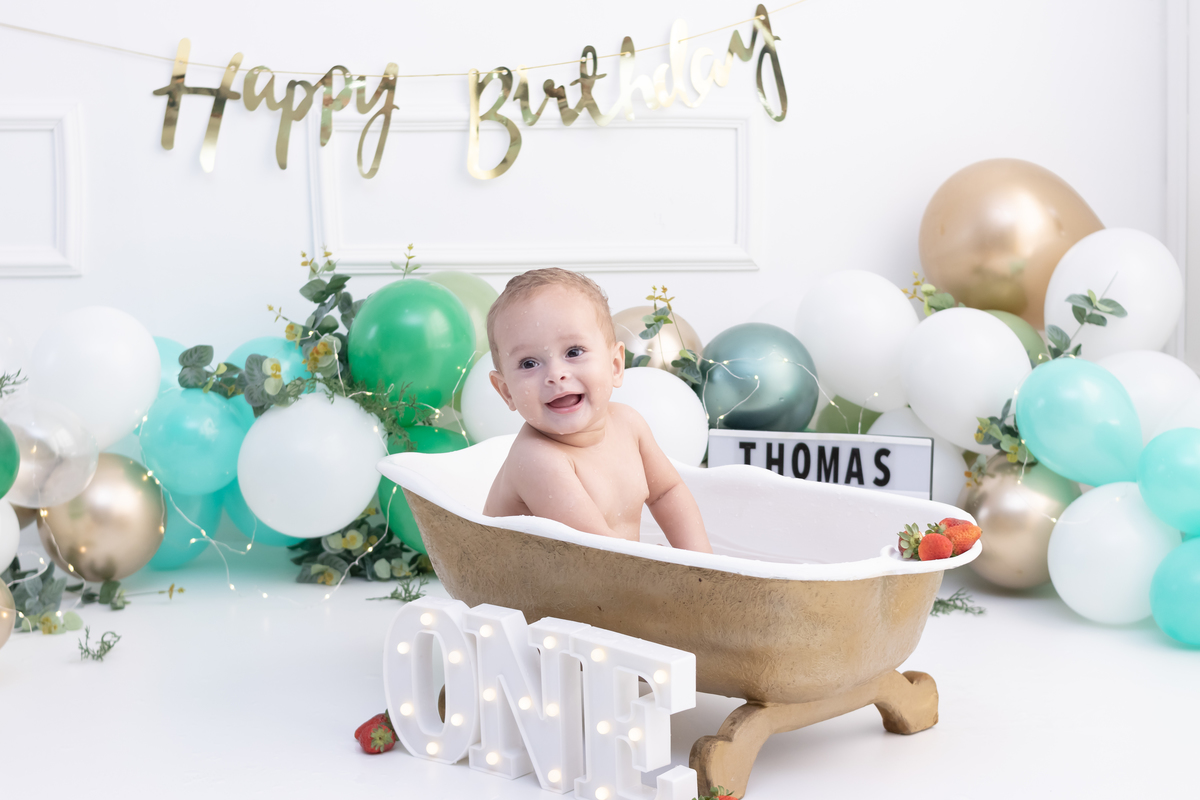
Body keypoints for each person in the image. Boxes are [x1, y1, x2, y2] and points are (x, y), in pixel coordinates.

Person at [482, 268, 713, 553]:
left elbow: (667, 493)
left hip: (604, 585)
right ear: (506, 391)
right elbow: (598, 551)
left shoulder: (629, 425)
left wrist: (703, 564)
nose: (556, 374)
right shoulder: (537, 459)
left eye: (573, 352)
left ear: (615, 365)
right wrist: (663, 568)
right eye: (529, 363)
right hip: (526, 594)